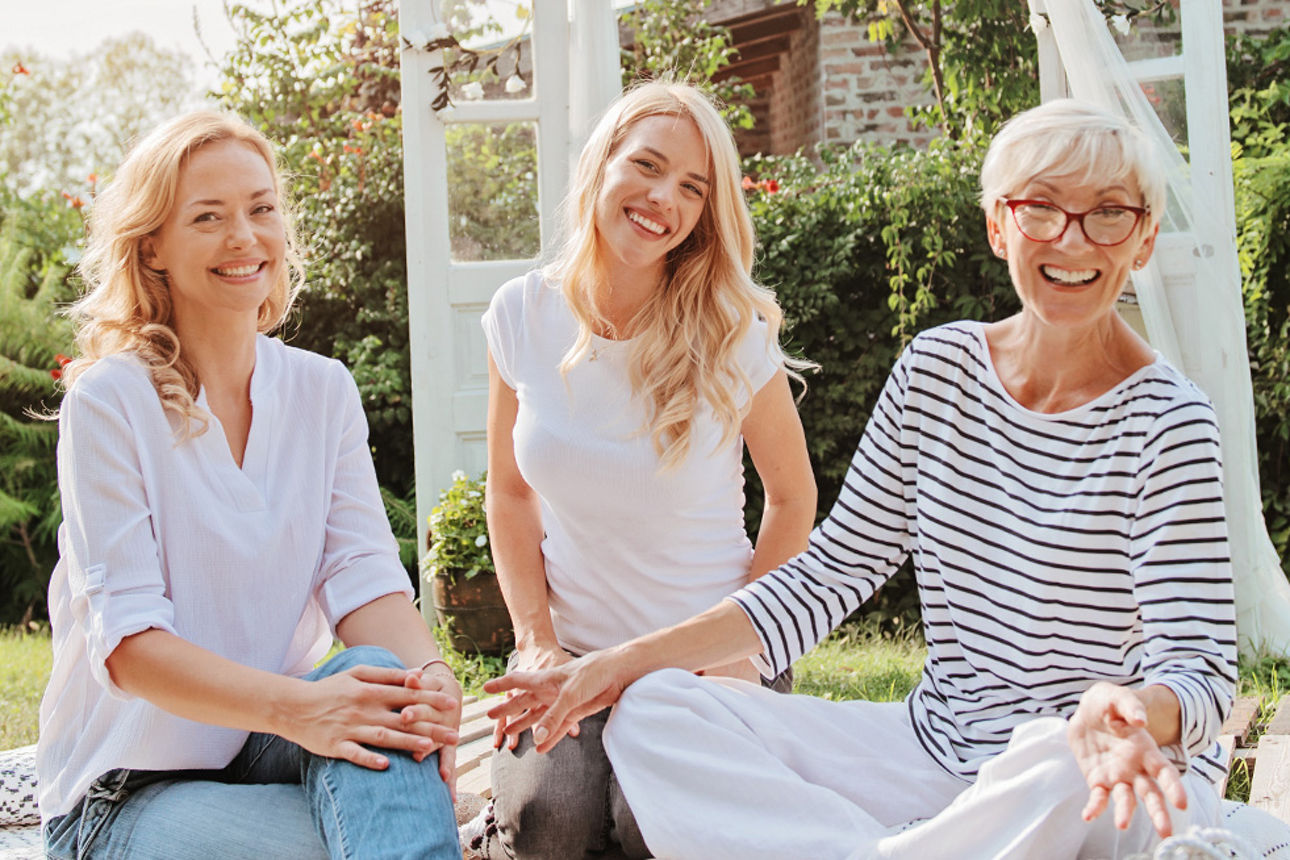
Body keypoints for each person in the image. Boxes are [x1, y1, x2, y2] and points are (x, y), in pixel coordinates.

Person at [484, 99, 1241, 859]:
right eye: (1041, 209)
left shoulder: (1169, 420)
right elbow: (830, 573)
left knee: (1058, 759)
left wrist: (1130, 711)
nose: (1072, 239)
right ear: (999, 226)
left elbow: (1201, 672)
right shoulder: (938, 371)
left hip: (1096, 770)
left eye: (1108, 214)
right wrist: (615, 668)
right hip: (932, 751)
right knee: (657, 710)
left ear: (1144, 238)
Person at [36, 111, 462, 860]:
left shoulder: (322, 390)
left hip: (264, 742)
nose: (244, 237)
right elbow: (130, 647)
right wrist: (303, 712)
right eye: (209, 217)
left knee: (382, 686)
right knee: (378, 828)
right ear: (152, 246)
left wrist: (430, 684)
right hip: (124, 793)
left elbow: (363, 577)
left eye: (261, 209)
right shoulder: (110, 401)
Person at [470, 80, 817, 859]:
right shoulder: (521, 314)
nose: (665, 198)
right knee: (547, 823)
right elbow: (511, 493)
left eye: (692, 188)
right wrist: (535, 641)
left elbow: (792, 497)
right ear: (602, 164)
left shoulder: (731, 332)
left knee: (651, 825)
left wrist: (744, 646)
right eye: (649, 166)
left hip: (705, 658)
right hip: (572, 657)